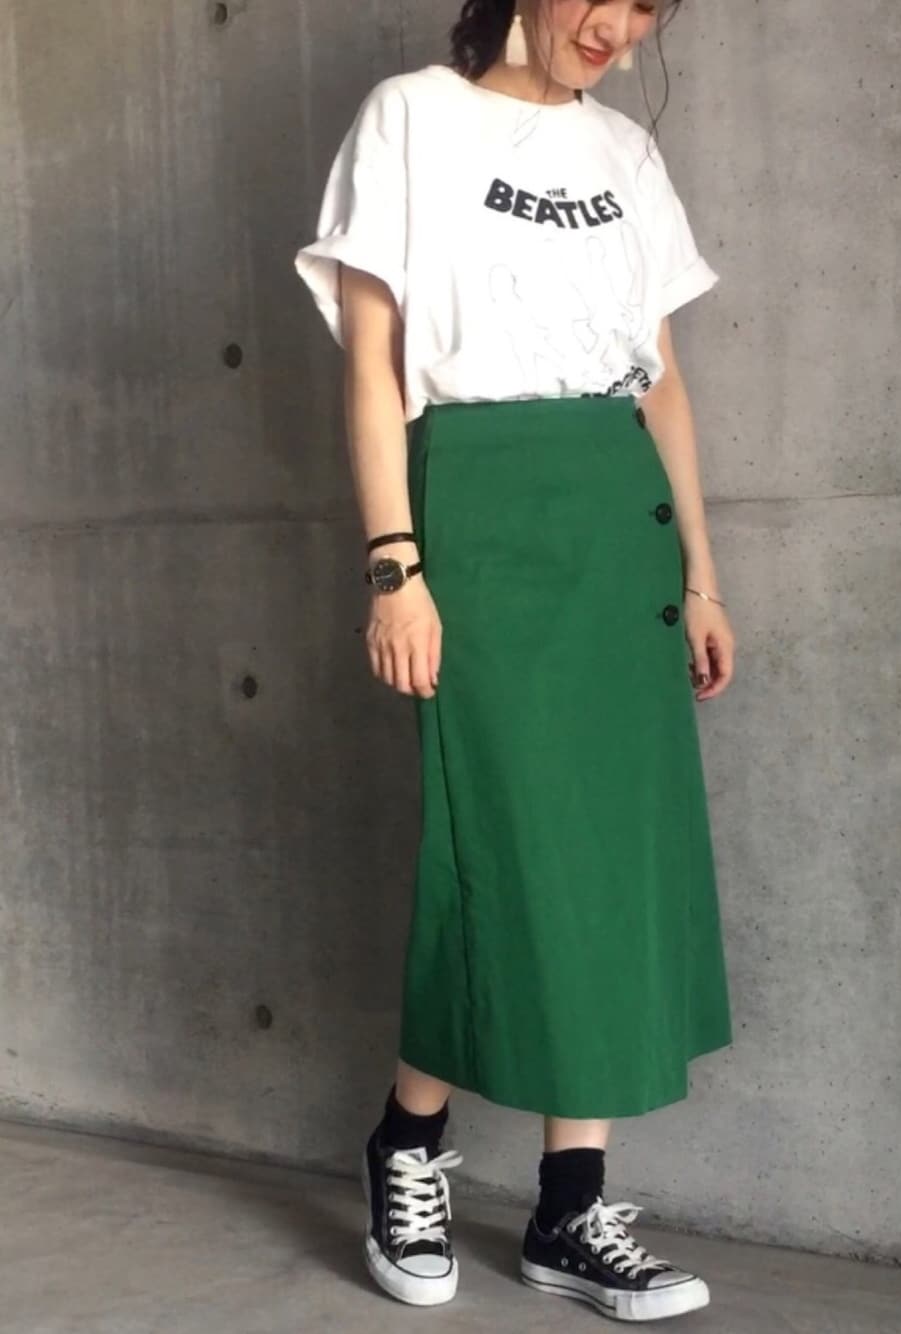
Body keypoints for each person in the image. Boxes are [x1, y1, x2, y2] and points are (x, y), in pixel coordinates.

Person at [294, 0, 736, 1322]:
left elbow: (661, 378)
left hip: (616, 516)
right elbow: (374, 364)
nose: (624, 31)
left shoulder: (627, 154)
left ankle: (569, 1207)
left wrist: (701, 572)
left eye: (650, 10)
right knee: (494, 850)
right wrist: (395, 562)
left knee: (609, 861)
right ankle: (408, 1142)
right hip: (481, 505)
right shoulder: (411, 117)